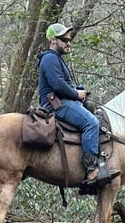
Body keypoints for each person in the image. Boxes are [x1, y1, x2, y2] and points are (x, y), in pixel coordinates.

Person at [37, 23, 119, 193]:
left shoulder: (55, 58)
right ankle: (91, 171)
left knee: (94, 114)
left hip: (62, 101)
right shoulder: (50, 58)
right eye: (64, 40)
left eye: (69, 39)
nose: (69, 43)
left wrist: (78, 91)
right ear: (53, 40)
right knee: (91, 123)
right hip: (56, 105)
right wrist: (76, 94)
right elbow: (58, 86)